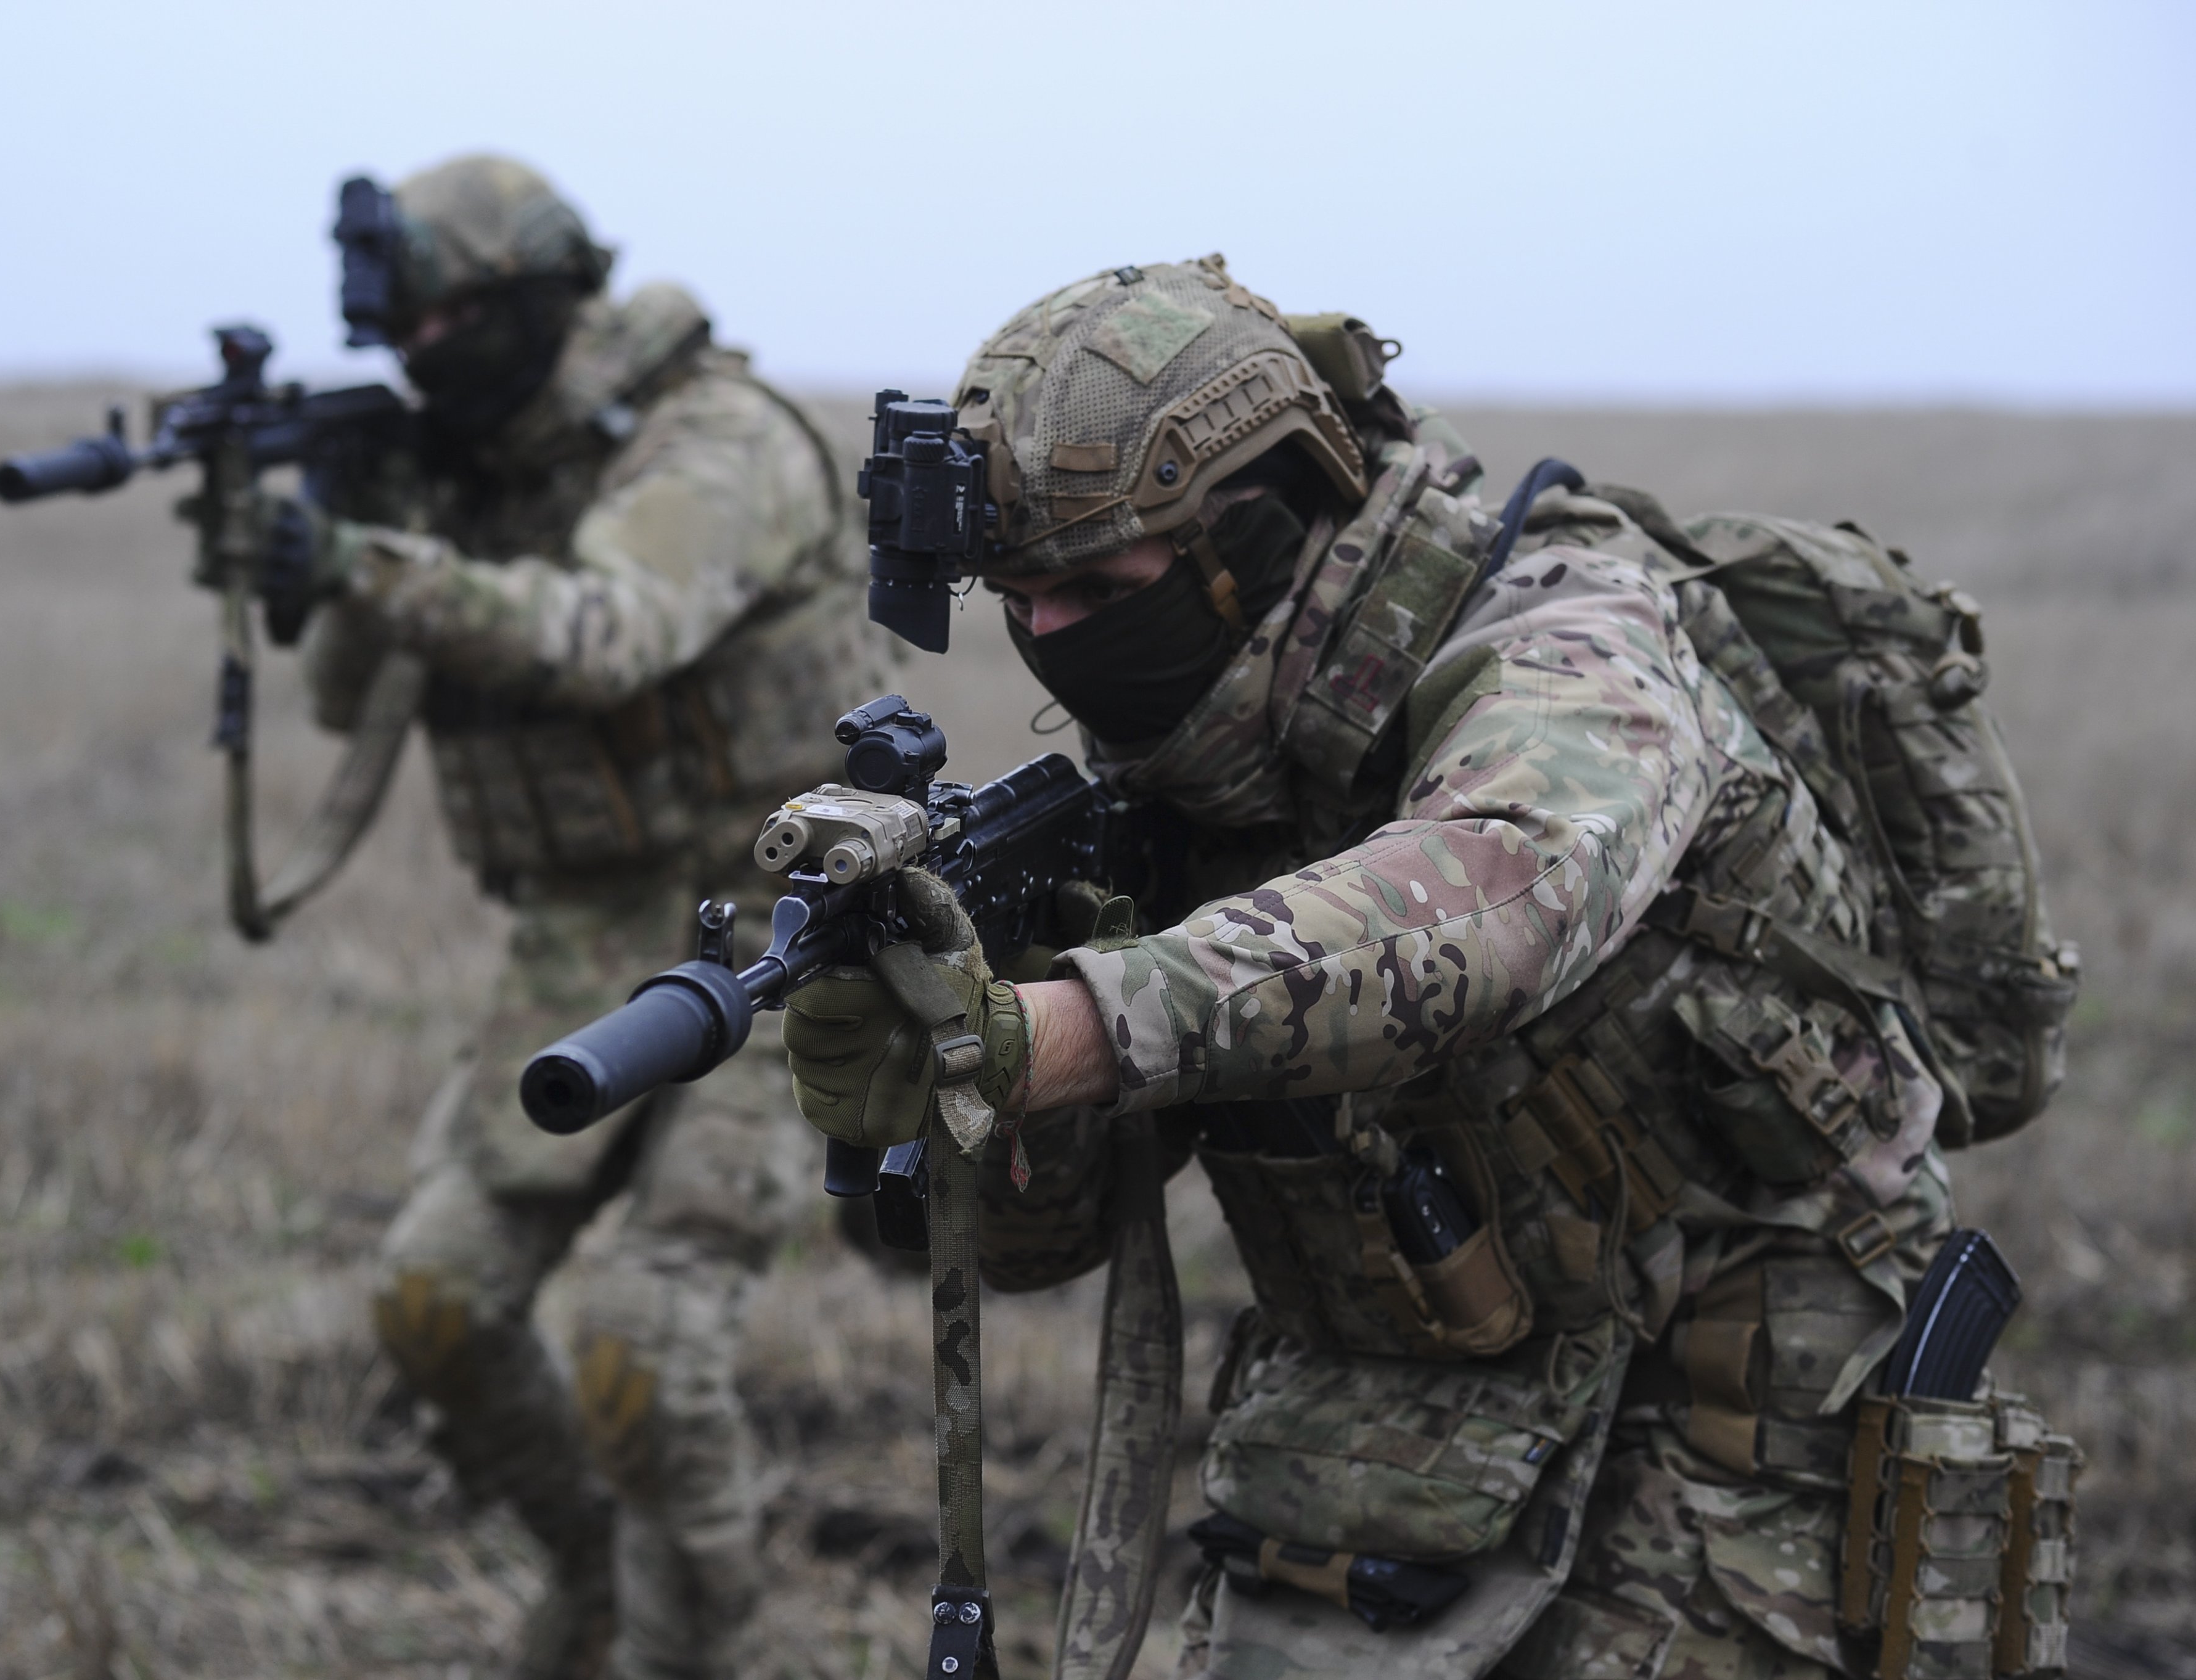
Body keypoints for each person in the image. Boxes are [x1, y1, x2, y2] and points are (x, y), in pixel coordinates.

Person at [778, 258, 2073, 1679]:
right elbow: (1042, 1245)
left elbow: (1497, 891)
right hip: (1373, 1443)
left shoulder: (1567, 635)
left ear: (1263, 526)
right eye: (1020, 600)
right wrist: (945, 1090)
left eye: (1099, 586)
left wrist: (1063, 1024)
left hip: (1738, 1442)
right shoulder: (1185, 767)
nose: (1060, 640)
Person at [273, 154, 880, 1680]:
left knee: (637, 1351)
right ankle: (594, 1581)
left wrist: (375, 559)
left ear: (539, 294)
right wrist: (341, 546)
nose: (422, 361)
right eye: (398, 336)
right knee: (432, 1300)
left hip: (780, 923)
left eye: (449, 321)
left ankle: (692, 1654)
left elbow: (606, 635)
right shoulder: (480, 475)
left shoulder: (714, 439)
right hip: (581, 932)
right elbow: (346, 694)